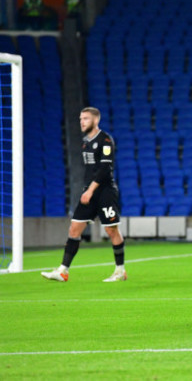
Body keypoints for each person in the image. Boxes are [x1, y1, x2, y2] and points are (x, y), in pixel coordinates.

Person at [41, 107, 127, 282]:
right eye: (81, 118)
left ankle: (120, 271)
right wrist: (87, 190)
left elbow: (105, 169)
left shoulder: (105, 140)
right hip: (89, 191)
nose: (81, 121)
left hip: (105, 192)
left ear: (96, 120)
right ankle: (63, 271)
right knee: (74, 229)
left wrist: (90, 190)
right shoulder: (85, 142)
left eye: (86, 119)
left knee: (111, 230)